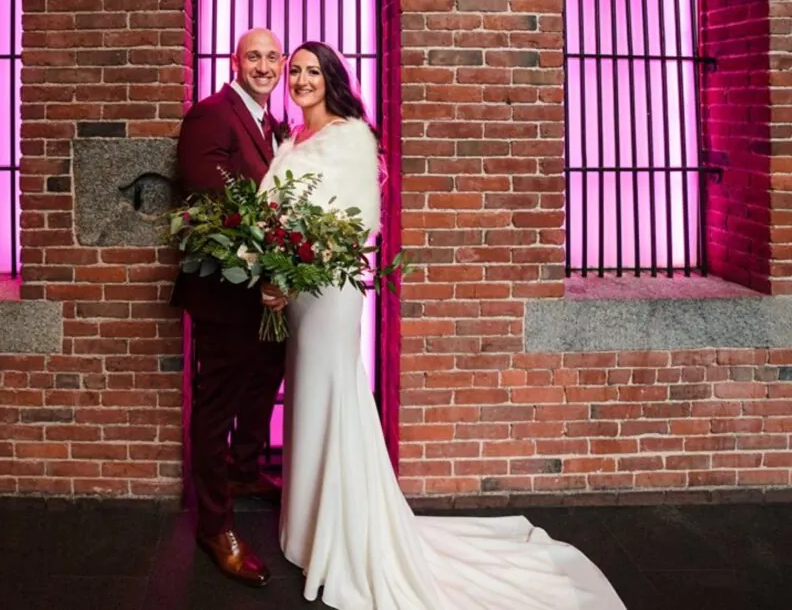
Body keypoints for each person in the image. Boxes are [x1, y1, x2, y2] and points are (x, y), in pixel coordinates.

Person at [260, 41, 627, 610]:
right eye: (296, 72)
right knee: (308, 400)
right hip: (297, 292)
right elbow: (278, 210)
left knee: (335, 397)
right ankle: (309, 529)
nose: (302, 80)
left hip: (327, 293)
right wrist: (277, 269)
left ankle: (347, 533)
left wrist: (301, 262)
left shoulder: (351, 136)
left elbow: (353, 224)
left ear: (332, 79)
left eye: (313, 71)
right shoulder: (293, 138)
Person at [171, 28, 289, 587]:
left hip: (267, 289)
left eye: (272, 57)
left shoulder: (274, 124)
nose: (264, 66)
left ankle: (244, 470)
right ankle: (215, 525)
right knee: (217, 401)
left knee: (265, 378)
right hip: (225, 291)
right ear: (234, 61)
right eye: (254, 56)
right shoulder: (210, 114)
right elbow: (203, 194)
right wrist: (265, 239)